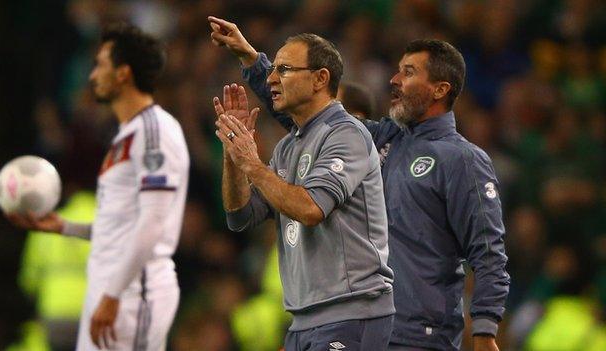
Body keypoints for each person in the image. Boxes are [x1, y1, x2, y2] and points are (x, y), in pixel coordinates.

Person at [209, 16, 510, 351]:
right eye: (397, 70)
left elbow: (488, 253)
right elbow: (310, 115)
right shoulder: (382, 139)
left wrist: (484, 331)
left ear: (440, 89)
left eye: (409, 72)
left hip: (419, 335)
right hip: (367, 325)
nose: (394, 80)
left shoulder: (462, 159)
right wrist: (252, 60)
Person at [210, 23, 395, 350]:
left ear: (320, 79)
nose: (270, 79)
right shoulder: (287, 148)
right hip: (303, 319)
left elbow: (311, 209)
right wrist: (233, 154)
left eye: (284, 69)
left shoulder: (347, 134)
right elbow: (240, 216)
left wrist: (252, 163)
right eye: (273, 70)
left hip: (350, 313)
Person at [8, 23, 189, 351]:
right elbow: (122, 227)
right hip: (110, 292)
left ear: (123, 74)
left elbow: (153, 223)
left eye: (100, 65)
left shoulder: (154, 132)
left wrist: (113, 294)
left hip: (135, 294)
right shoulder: (125, 136)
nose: (92, 76)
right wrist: (65, 226)